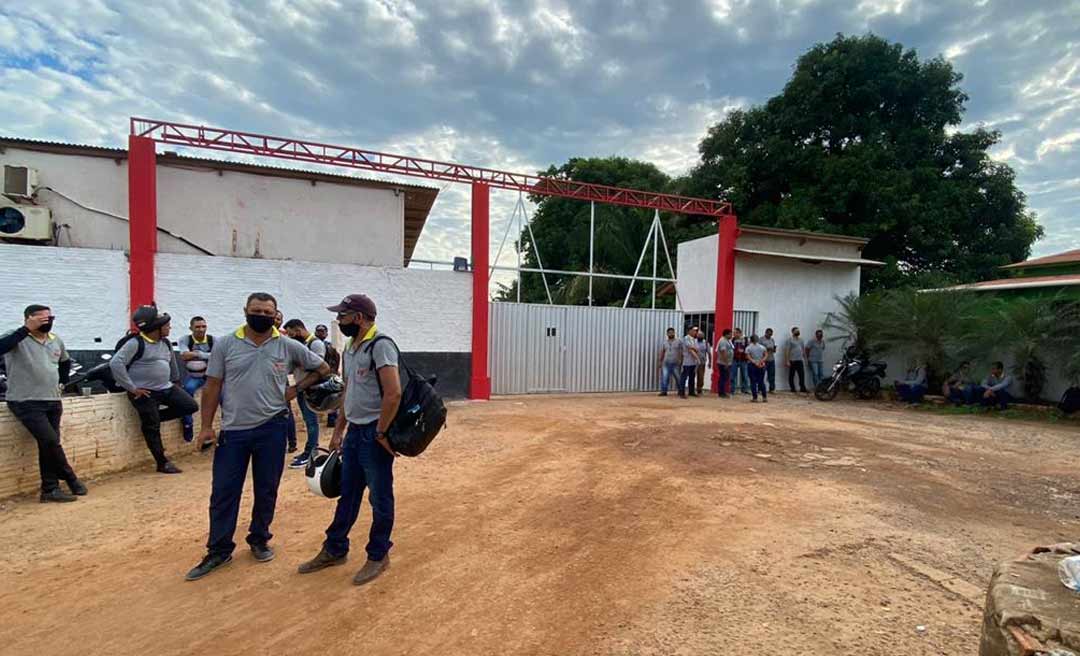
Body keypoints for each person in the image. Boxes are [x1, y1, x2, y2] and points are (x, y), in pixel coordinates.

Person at [185, 292, 331, 581]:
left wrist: (296, 389)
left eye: (267, 312)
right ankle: (219, 550)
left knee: (267, 489)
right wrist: (205, 426)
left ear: (276, 314)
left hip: (273, 429)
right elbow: (213, 386)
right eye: (256, 310)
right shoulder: (226, 344)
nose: (261, 315)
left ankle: (259, 539)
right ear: (245, 311)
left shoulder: (287, 345)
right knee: (224, 492)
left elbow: (324, 369)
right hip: (234, 431)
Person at [298, 294, 402, 586]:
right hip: (355, 433)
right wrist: (338, 431)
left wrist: (381, 432)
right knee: (349, 493)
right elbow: (348, 393)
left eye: (342, 316)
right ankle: (335, 549)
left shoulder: (380, 345)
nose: (339, 321)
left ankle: (378, 554)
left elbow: (394, 393)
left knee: (380, 497)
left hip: (374, 435)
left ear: (358, 317)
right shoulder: (350, 348)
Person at [1, 305, 86, 502]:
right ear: (29, 318)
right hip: (25, 400)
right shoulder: (16, 337)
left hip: (53, 399)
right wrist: (26, 330)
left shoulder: (55, 340)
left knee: (48, 444)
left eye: (50, 318)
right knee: (50, 441)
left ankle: (50, 489)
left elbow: (65, 362)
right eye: (42, 319)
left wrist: (62, 381)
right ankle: (70, 477)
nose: (48, 322)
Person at [110, 305, 197, 474]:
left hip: (166, 387)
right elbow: (116, 364)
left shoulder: (165, 343)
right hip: (144, 393)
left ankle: (153, 419)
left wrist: (176, 382)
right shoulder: (135, 343)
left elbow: (172, 363)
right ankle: (162, 462)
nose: (169, 328)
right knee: (152, 428)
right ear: (155, 328)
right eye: (166, 325)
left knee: (190, 406)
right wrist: (132, 388)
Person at [283, 318, 328, 469]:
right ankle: (310, 450)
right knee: (309, 421)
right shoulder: (303, 345)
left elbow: (318, 366)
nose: (290, 337)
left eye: (291, 334)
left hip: (312, 389)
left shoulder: (315, 344)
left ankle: (311, 452)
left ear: (297, 330)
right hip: (303, 388)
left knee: (311, 422)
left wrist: (298, 360)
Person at [178, 316, 213, 442]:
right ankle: (188, 423)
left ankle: (227, 428)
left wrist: (197, 354)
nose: (201, 329)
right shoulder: (185, 339)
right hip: (193, 376)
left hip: (211, 377)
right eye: (197, 327)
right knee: (187, 392)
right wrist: (207, 356)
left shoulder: (213, 340)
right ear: (191, 328)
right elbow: (184, 355)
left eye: (203, 326)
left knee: (224, 397)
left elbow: (218, 356)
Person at [657, 327, 682, 397]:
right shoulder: (665, 342)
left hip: (675, 363)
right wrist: (660, 361)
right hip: (666, 362)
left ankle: (680, 390)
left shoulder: (678, 341)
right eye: (669, 333)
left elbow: (681, 351)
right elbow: (663, 352)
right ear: (667, 334)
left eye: (672, 332)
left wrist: (680, 360)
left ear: (674, 333)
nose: (671, 334)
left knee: (678, 377)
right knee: (665, 377)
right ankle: (664, 391)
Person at [678, 326, 701, 399]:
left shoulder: (694, 339)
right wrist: (697, 357)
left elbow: (696, 349)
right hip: (687, 361)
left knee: (692, 377)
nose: (695, 332)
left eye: (696, 331)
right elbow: (690, 348)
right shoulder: (686, 338)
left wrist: (696, 355)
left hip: (693, 362)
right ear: (689, 331)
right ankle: (681, 392)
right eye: (694, 331)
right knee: (684, 377)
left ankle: (691, 391)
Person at [746, 334, 769, 403]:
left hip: (752, 365)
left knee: (753, 382)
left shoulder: (748, 348)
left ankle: (755, 398)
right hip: (761, 365)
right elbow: (766, 355)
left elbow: (748, 357)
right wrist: (761, 361)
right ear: (758, 339)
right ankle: (764, 397)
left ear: (751, 340)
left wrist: (755, 362)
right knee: (761, 381)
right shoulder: (762, 347)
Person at [785, 327, 808, 393]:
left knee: (801, 374)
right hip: (792, 360)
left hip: (800, 360)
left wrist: (805, 359)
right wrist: (787, 360)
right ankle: (792, 388)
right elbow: (787, 350)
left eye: (798, 331)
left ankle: (802, 388)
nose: (798, 332)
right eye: (796, 331)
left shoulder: (801, 340)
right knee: (792, 375)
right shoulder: (789, 340)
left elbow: (803, 350)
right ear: (792, 332)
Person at [714, 328, 734, 398]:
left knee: (725, 377)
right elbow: (723, 352)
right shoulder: (723, 341)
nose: (731, 335)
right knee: (723, 377)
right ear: (726, 334)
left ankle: (723, 392)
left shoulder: (727, 341)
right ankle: (721, 393)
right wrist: (726, 362)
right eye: (730, 334)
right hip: (723, 363)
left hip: (726, 362)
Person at [731, 327, 749, 395]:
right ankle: (732, 390)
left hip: (743, 359)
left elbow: (748, 348)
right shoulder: (732, 339)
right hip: (734, 359)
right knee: (732, 375)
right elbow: (731, 348)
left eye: (735, 333)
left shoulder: (745, 339)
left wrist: (743, 351)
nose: (734, 334)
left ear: (739, 333)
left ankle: (744, 389)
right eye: (734, 333)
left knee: (745, 375)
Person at [760, 328, 777, 393]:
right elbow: (759, 348)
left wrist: (774, 349)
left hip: (771, 359)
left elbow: (774, 349)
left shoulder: (772, 340)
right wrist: (766, 348)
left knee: (772, 374)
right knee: (761, 374)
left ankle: (772, 389)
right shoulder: (761, 339)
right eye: (769, 334)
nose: (770, 335)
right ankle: (760, 388)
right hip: (764, 359)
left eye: (771, 334)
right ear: (766, 333)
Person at [694, 328, 711, 395]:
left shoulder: (706, 343)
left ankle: (699, 389)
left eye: (701, 335)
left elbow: (709, 353)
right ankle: (691, 389)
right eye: (699, 335)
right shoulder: (693, 341)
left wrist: (710, 362)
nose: (700, 336)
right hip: (693, 362)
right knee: (692, 375)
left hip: (702, 362)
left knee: (701, 377)